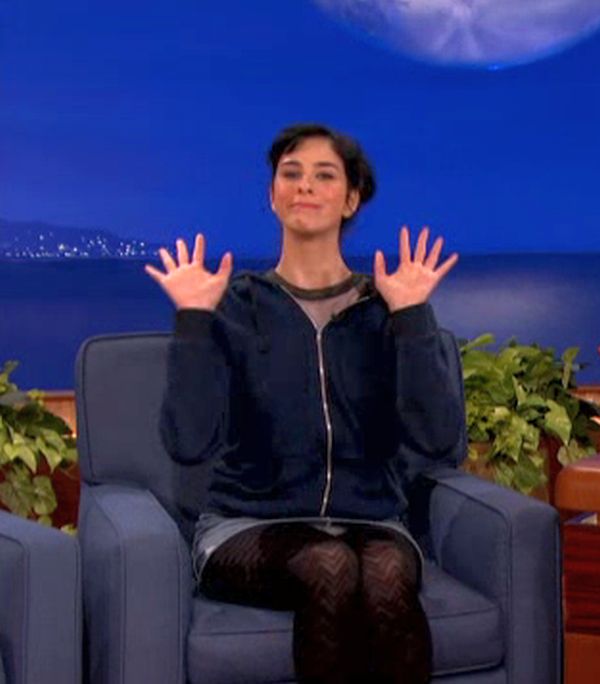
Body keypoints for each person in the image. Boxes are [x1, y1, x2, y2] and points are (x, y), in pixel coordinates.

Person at [145, 123, 465, 684]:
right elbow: (188, 442)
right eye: (290, 174)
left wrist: (412, 317)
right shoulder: (235, 307)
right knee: (328, 563)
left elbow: (438, 441)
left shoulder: (386, 309)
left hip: (371, 521)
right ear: (273, 196)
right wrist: (195, 321)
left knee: (385, 572)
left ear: (351, 199)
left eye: (324, 175)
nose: (305, 186)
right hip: (245, 526)